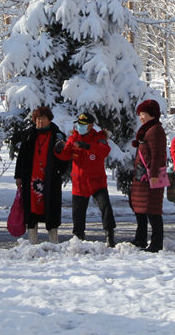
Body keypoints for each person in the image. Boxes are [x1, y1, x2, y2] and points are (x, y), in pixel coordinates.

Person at [58, 112, 117, 247]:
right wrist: (59, 150)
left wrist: (87, 146)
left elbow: (104, 151)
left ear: (91, 125)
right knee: (78, 211)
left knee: (105, 207)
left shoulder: (99, 137)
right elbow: (65, 155)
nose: (80, 126)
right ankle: (78, 236)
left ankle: (109, 234)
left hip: (97, 181)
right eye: (79, 124)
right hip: (80, 181)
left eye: (83, 124)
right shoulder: (73, 139)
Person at [14, 106, 69, 244]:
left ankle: (53, 240)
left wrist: (59, 171)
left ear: (49, 119)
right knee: (31, 210)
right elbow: (21, 157)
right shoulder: (29, 135)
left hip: (50, 179)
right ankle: (32, 240)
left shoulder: (58, 135)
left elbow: (65, 156)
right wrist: (19, 176)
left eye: (43, 119)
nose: (40, 122)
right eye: (37, 119)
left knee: (51, 208)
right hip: (31, 178)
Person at [129, 99, 166, 252]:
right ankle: (141, 238)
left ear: (151, 114)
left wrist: (155, 174)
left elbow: (158, 154)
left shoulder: (155, 130)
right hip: (142, 177)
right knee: (140, 209)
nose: (141, 118)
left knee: (153, 211)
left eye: (143, 114)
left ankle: (156, 243)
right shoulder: (148, 130)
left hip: (151, 176)